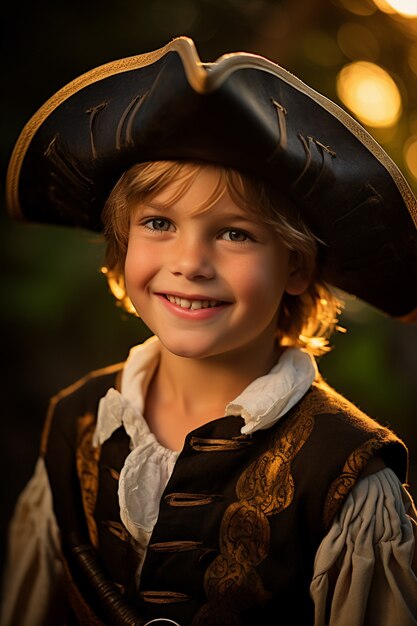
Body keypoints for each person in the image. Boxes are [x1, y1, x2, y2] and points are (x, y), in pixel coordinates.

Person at [1, 36, 417, 626]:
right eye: (159, 223)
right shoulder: (75, 424)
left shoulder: (347, 475)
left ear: (295, 266)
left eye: (235, 233)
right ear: (122, 249)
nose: (191, 263)